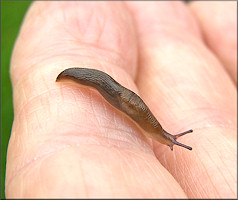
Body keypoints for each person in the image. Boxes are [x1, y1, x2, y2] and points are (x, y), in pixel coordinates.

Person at [5, 1, 236, 198]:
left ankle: (161, 133)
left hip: (120, 94)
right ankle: (158, 131)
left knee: (125, 99)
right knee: (105, 85)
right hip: (109, 87)